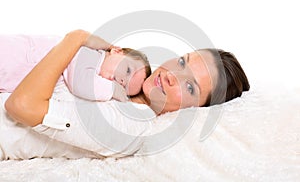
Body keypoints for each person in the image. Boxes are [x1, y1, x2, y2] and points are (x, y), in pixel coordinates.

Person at [0, 30, 250, 160]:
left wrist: (75, 39)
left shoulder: (131, 124)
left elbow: (21, 105)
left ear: (196, 109)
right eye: (183, 62)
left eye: (190, 87)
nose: (174, 75)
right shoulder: (128, 79)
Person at [0, 35, 151, 102]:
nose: (119, 80)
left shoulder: (95, 71)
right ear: (117, 51)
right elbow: (82, 84)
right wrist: (114, 91)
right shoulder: (87, 53)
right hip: (8, 55)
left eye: (123, 85)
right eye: (128, 71)